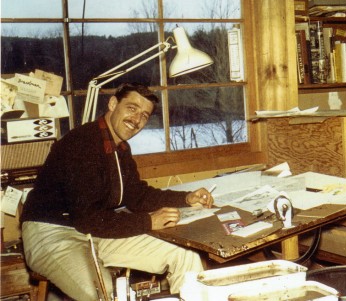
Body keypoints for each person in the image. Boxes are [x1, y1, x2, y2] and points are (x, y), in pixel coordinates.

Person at [21, 82, 214, 300]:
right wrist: (148, 222)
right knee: (100, 292)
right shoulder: (82, 144)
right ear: (113, 104)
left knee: (185, 256)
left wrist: (186, 198)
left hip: (96, 229)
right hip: (52, 232)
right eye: (131, 108)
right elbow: (87, 218)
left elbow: (138, 196)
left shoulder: (119, 147)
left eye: (144, 115)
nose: (136, 120)